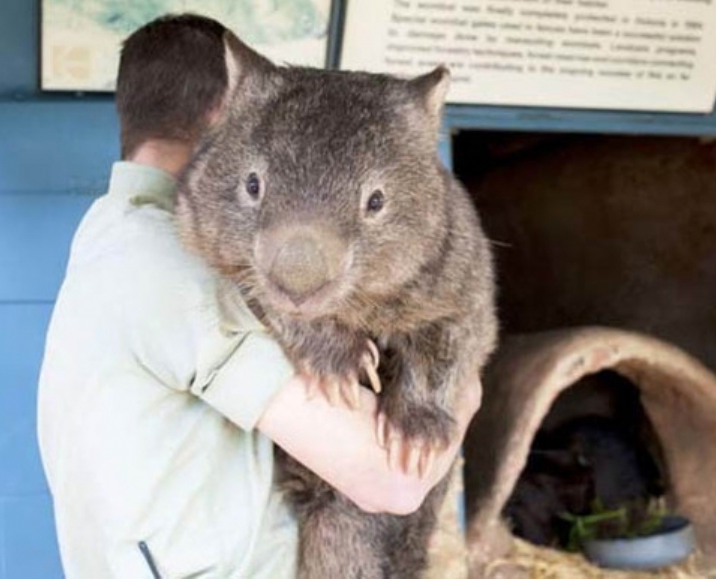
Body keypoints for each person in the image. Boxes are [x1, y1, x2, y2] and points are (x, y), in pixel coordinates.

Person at [38, 14, 459, 579]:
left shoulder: (111, 232)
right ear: (227, 118)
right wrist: (469, 386)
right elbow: (390, 476)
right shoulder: (170, 263)